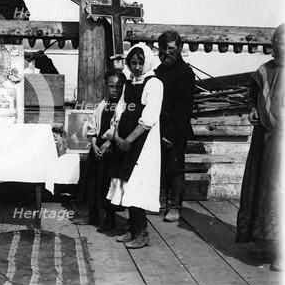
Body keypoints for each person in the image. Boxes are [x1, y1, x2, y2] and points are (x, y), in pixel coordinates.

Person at [236, 23, 285, 272]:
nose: (283, 46)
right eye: (279, 42)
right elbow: (252, 96)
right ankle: (264, 243)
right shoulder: (263, 71)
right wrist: (253, 110)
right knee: (261, 189)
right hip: (265, 137)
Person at [107, 44, 163, 249]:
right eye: (133, 63)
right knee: (125, 183)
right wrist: (116, 135)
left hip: (142, 142)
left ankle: (142, 232)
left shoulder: (154, 83)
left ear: (147, 62)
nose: (137, 67)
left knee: (137, 183)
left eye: (140, 63)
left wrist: (129, 140)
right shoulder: (129, 82)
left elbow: (149, 117)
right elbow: (120, 109)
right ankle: (132, 228)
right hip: (124, 141)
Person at [73, 69, 125, 230]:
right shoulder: (103, 103)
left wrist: (107, 144)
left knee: (108, 184)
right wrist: (94, 142)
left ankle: (110, 219)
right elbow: (93, 125)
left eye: (118, 87)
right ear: (106, 86)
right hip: (97, 148)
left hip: (111, 149)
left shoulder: (123, 106)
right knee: (93, 180)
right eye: (111, 86)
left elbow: (119, 128)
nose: (114, 90)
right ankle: (93, 215)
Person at [154, 30, 195, 222]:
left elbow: (184, 110)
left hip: (176, 130)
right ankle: (160, 202)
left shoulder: (185, 73)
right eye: (163, 48)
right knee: (160, 166)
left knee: (175, 168)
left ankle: (175, 207)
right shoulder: (158, 72)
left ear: (179, 48)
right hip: (158, 129)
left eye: (171, 48)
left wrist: (170, 134)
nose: (167, 52)